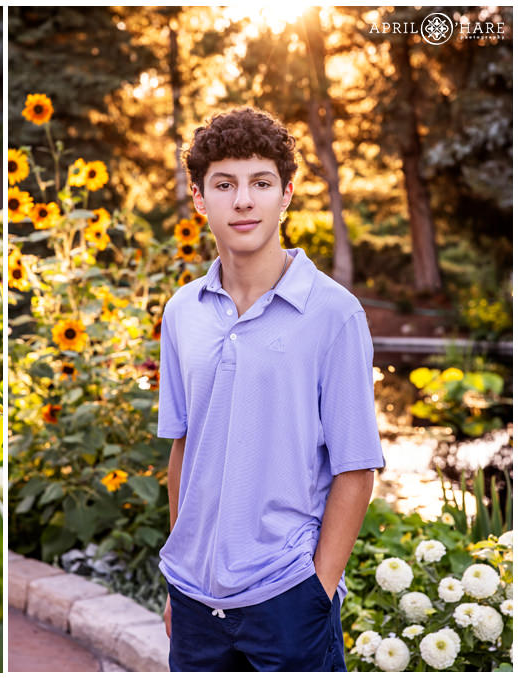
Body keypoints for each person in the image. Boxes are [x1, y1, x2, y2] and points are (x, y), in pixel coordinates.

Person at [157, 108, 385, 671]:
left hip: (287, 600)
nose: (242, 202)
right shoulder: (182, 311)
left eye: (260, 183)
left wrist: (318, 591)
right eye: (224, 184)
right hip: (193, 601)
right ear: (198, 196)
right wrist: (179, 578)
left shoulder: (334, 314)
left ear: (286, 194)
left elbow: (356, 469)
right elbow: (183, 448)